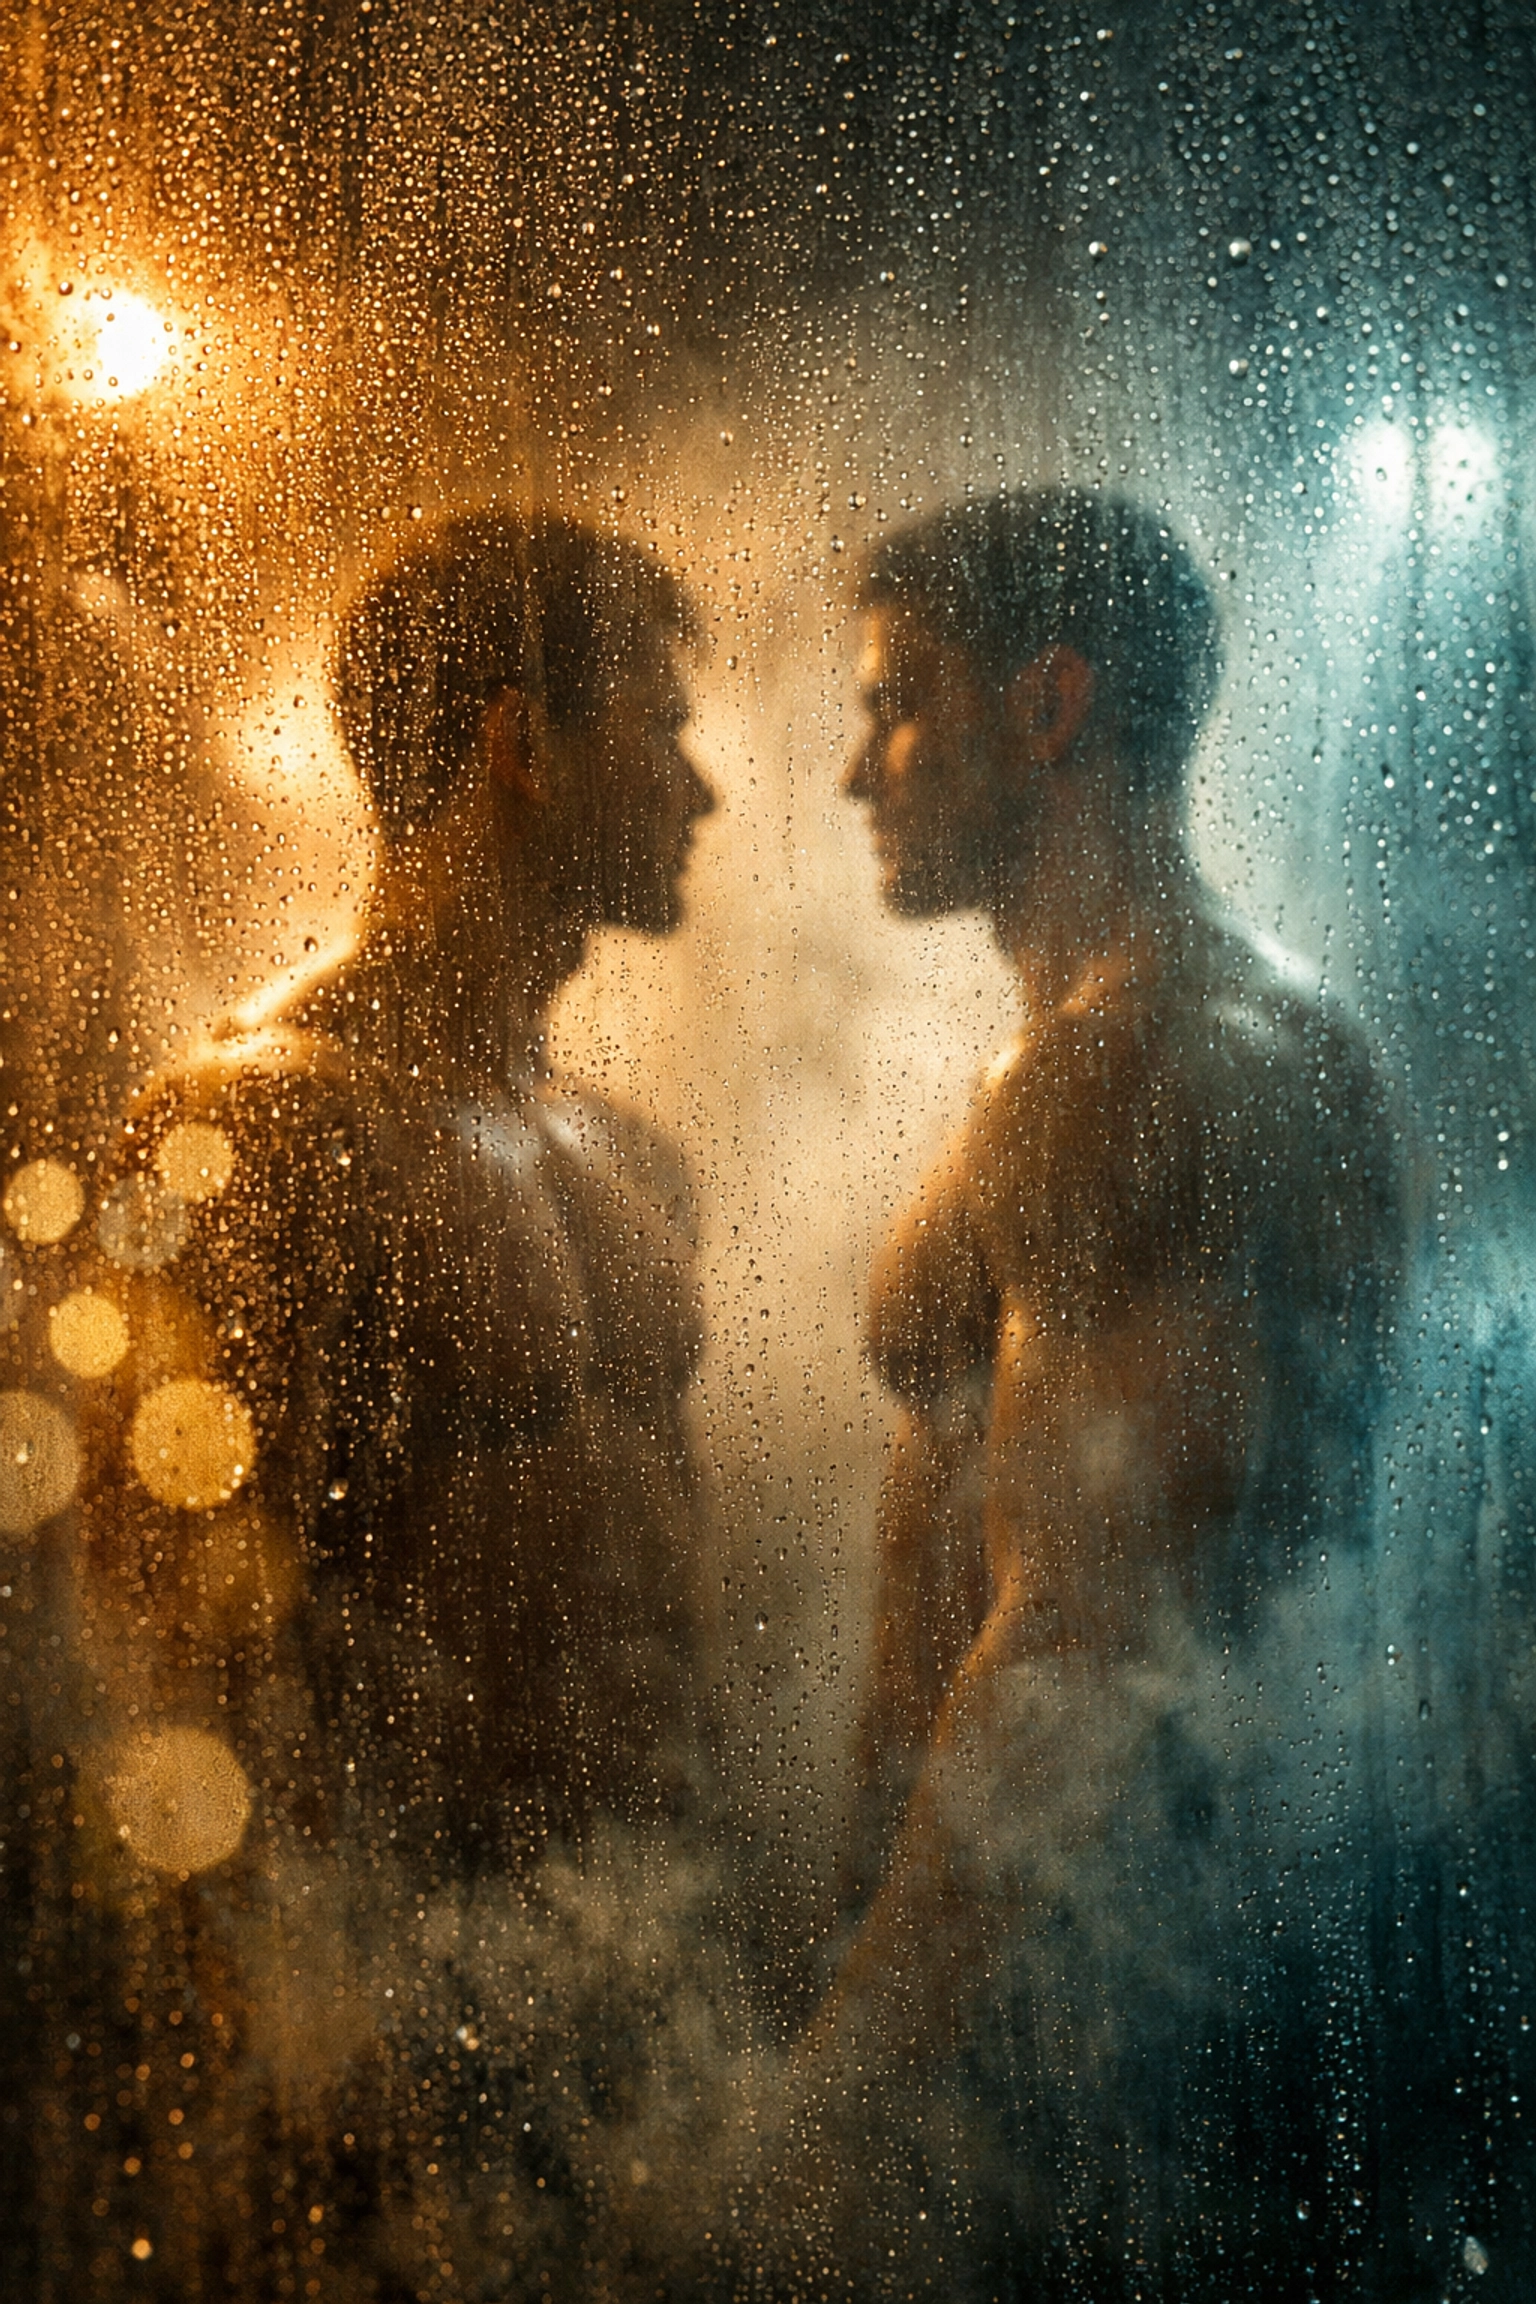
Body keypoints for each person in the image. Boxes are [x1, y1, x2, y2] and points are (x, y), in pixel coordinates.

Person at [53, 512, 714, 2296]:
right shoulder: (265, 1121)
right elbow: (156, 1656)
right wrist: (305, 2054)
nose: (706, 789)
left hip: (640, 1989)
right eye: (662, 725)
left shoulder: (626, 1157)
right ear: (518, 741)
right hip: (384, 2050)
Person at [776, 489, 1399, 2301]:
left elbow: (1078, 1653)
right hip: (1138, 1980)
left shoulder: (1129, 1059)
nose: (854, 770)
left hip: (1074, 2024)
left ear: (1046, 707)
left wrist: (831, 2111)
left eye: (896, 703)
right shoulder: (1231, 1028)